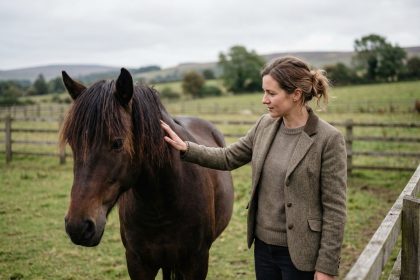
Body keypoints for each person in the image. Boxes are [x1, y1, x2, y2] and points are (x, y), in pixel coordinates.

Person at [161, 56, 347, 280]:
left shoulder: (328, 139)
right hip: (263, 248)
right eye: (264, 92)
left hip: (302, 254)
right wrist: (186, 148)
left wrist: (326, 267)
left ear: (296, 94)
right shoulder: (264, 125)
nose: (264, 100)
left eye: (271, 93)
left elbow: (335, 209)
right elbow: (228, 157)